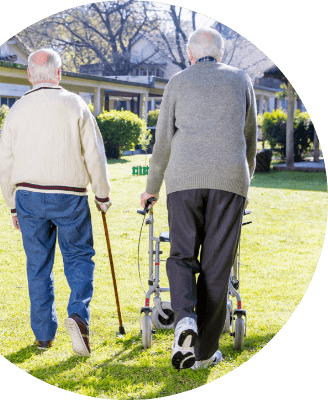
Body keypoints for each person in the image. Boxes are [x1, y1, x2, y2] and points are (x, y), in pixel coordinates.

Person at [141, 27, 257, 370]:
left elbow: (162, 142)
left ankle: (185, 322)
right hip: (230, 179)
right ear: (221, 54)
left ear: (191, 56)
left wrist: (151, 187)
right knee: (217, 267)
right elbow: (249, 138)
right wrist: (244, 183)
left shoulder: (177, 81)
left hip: (183, 180)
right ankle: (204, 353)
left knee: (180, 255)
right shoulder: (241, 80)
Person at [0, 48, 111, 356]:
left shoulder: (17, 108)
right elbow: (95, 154)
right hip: (69, 195)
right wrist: (102, 194)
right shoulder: (74, 103)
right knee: (78, 257)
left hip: (28, 196)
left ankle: (44, 337)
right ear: (58, 74)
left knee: (38, 266)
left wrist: (12, 204)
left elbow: (4, 163)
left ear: (29, 75)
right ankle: (78, 316)